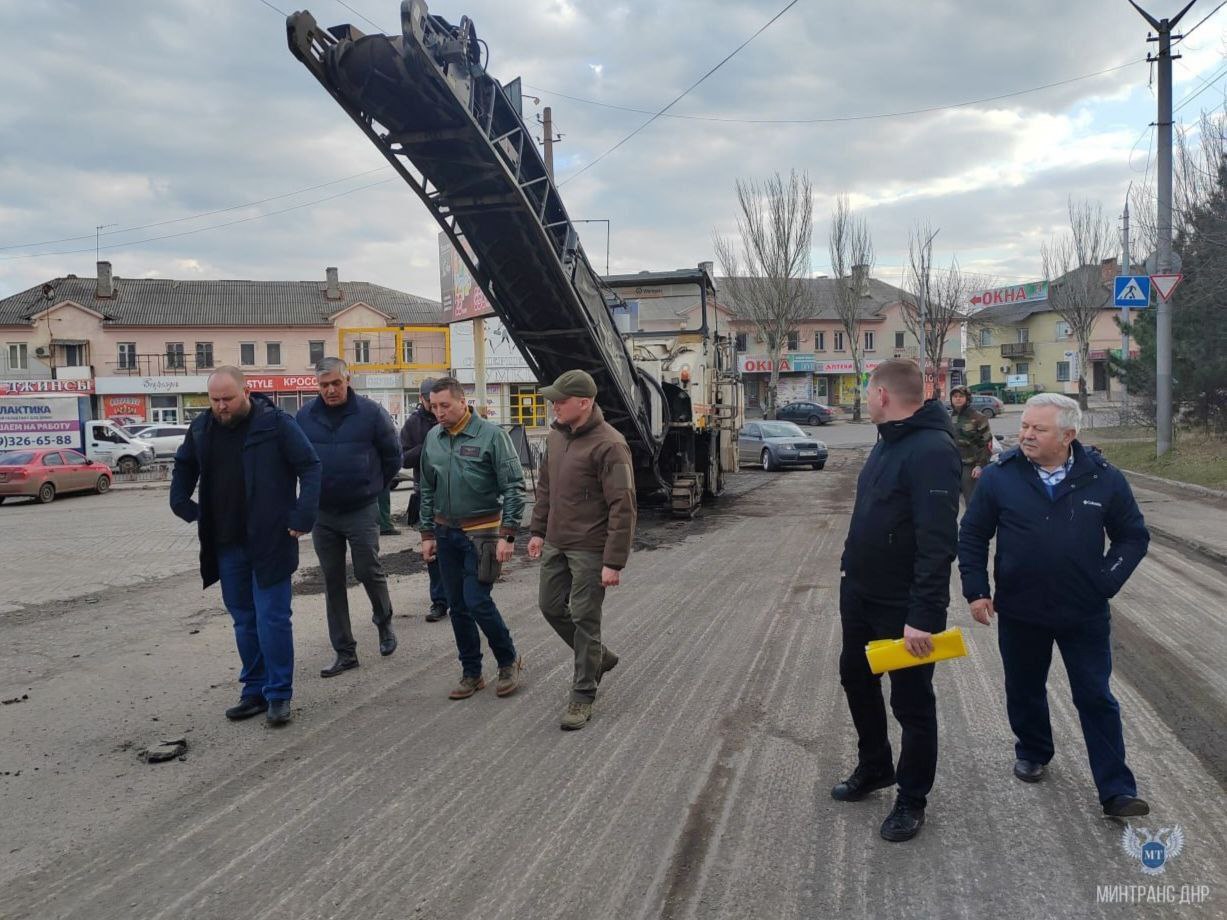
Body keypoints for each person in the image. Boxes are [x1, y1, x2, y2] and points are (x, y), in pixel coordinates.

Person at [958, 393, 1151, 818]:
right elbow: (972, 535)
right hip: (1021, 609)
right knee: (1024, 688)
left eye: (1037, 428)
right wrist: (976, 588)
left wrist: (1107, 579)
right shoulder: (999, 477)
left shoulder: (1104, 478)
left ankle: (1116, 790)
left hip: (1083, 612)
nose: (1025, 434)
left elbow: (1133, 536)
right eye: (1025, 425)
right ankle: (1033, 749)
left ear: (1069, 435)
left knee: (1096, 697)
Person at [833, 358, 960, 843]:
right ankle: (876, 766)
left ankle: (912, 797)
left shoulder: (931, 449)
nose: (865, 399)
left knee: (911, 702)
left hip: (903, 607)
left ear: (883, 395)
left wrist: (923, 616)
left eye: (868, 391)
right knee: (856, 680)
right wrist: (849, 570)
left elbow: (937, 540)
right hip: (861, 595)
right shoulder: (887, 443)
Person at [170, 366, 321, 727]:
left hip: (271, 539)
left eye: (228, 398)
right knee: (244, 620)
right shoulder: (203, 427)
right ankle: (253, 690)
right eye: (215, 399)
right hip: (227, 543)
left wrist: (303, 516)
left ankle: (279, 694)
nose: (221, 406)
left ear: (246, 392)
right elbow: (184, 464)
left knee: (273, 619)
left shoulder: (276, 424)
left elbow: (311, 466)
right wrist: (182, 503)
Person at [526, 370, 636, 731]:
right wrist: (539, 530)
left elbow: (624, 505)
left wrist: (613, 561)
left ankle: (583, 694)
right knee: (550, 605)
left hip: (590, 547)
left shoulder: (611, 444)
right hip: (557, 541)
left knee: (585, 620)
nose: (553, 405)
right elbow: (546, 488)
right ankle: (598, 657)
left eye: (560, 400)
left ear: (584, 403)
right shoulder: (557, 437)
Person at [418, 377, 526, 700]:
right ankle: (472, 672)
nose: (438, 412)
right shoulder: (432, 439)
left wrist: (508, 534)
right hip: (445, 533)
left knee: (477, 600)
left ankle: (508, 661)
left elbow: (514, 487)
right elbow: (426, 487)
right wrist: (426, 533)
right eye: (433, 406)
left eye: (445, 406)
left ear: (463, 402)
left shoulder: (492, 436)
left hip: (483, 534)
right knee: (457, 605)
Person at [297, 358, 403, 677]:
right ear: (317, 386)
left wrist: (373, 486)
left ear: (348, 380)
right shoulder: (304, 417)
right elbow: (295, 460)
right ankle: (345, 652)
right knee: (332, 580)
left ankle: (384, 623)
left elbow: (393, 456)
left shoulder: (370, 413)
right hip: (323, 513)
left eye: (336, 383)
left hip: (360, 508)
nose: (330, 390)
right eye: (324, 385)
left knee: (368, 570)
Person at [400, 377, 449, 622]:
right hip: (426, 493)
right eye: (431, 401)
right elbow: (403, 458)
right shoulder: (413, 424)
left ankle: (461, 598)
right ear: (422, 399)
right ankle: (439, 601)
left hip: (453, 492)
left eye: (440, 402)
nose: (436, 407)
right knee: (432, 549)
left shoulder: (451, 417)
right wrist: (427, 445)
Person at [949, 385, 993, 506]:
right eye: (955, 396)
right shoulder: (950, 417)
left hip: (971, 466)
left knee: (972, 501)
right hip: (954, 465)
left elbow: (987, 444)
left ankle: (973, 524)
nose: (957, 399)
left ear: (967, 398)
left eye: (961, 396)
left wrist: (980, 466)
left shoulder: (978, 417)